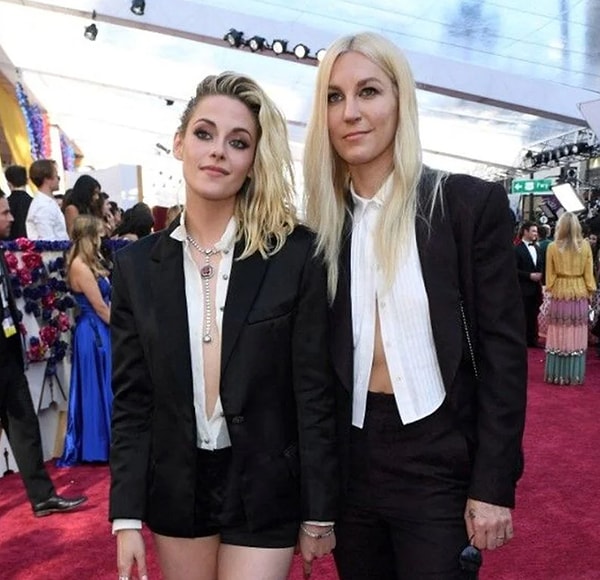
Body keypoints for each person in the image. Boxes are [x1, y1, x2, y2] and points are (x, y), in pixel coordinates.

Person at [303, 32, 527, 579]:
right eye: (334, 97)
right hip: (352, 466)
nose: (350, 112)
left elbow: (503, 356)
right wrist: (315, 496)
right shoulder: (318, 232)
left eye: (369, 91)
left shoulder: (466, 206)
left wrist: (493, 485)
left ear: (401, 99)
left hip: (440, 457)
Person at [109, 72, 338, 580]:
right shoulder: (135, 268)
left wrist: (319, 509)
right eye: (204, 133)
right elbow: (132, 400)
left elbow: (314, 392)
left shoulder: (294, 255)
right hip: (177, 483)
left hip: (266, 482)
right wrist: (125, 517)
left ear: (254, 160)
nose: (218, 151)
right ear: (179, 143)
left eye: (238, 142)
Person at [0, 189, 87, 516]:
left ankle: (43, 497)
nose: (12, 218)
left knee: (25, 426)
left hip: (8, 356)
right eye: (4, 213)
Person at [57, 215, 112, 466]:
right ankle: (97, 445)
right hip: (94, 331)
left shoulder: (89, 263)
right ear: (89, 237)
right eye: (98, 234)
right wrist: (128, 328)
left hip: (97, 328)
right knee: (96, 385)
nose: (102, 239)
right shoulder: (80, 266)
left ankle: (104, 442)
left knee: (104, 383)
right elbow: (100, 308)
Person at [544, 212, 596, 384]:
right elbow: (589, 273)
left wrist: (551, 287)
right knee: (576, 332)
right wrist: (590, 291)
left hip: (560, 292)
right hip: (579, 292)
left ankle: (556, 374)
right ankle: (574, 375)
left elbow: (549, 276)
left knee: (559, 331)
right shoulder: (585, 246)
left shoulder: (552, 247)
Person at [515, 221, 544, 347]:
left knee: (534, 314)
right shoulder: (517, 249)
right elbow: (513, 269)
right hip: (523, 288)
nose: (535, 234)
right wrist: (529, 275)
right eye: (533, 231)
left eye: (536, 231)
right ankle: (523, 339)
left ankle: (533, 339)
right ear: (525, 232)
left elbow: (540, 265)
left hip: (536, 288)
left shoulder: (537, 248)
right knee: (523, 315)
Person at [25, 159, 68, 240]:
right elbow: (48, 240)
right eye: (57, 176)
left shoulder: (46, 202)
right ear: (47, 179)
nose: (58, 180)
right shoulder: (43, 206)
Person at [4, 165, 32, 239]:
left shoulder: (5, 204)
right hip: (31, 243)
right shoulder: (33, 203)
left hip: (9, 244)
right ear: (27, 181)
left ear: (9, 183)